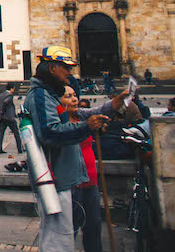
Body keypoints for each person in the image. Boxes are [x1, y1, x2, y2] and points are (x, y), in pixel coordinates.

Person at [24, 46, 124, 252]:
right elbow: (50, 133)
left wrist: (110, 107)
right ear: (52, 68)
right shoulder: (41, 96)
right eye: (66, 68)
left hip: (62, 179)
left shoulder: (51, 95)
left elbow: (79, 115)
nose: (70, 73)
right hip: (54, 179)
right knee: (58, 242)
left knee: (63, 239)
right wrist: (86, 127)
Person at [61, 85, 102, 252]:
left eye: (75, 95)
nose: (75, 99)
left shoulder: (82, 119)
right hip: (73, 185)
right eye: (68, 96)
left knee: (94, 229)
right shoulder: (59, 125)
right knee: (70, 230)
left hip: (91, 182)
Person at [0, 83, 23, 154]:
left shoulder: (1, 95)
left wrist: (1, 113)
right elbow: (5, 103)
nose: (13, 90)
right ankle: (20, 149)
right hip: (9, 118)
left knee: (1, 133)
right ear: (11, 88)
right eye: (13, 89)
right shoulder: (9, 96)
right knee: (16, 133)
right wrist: (4, 111)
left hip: (2, 118)